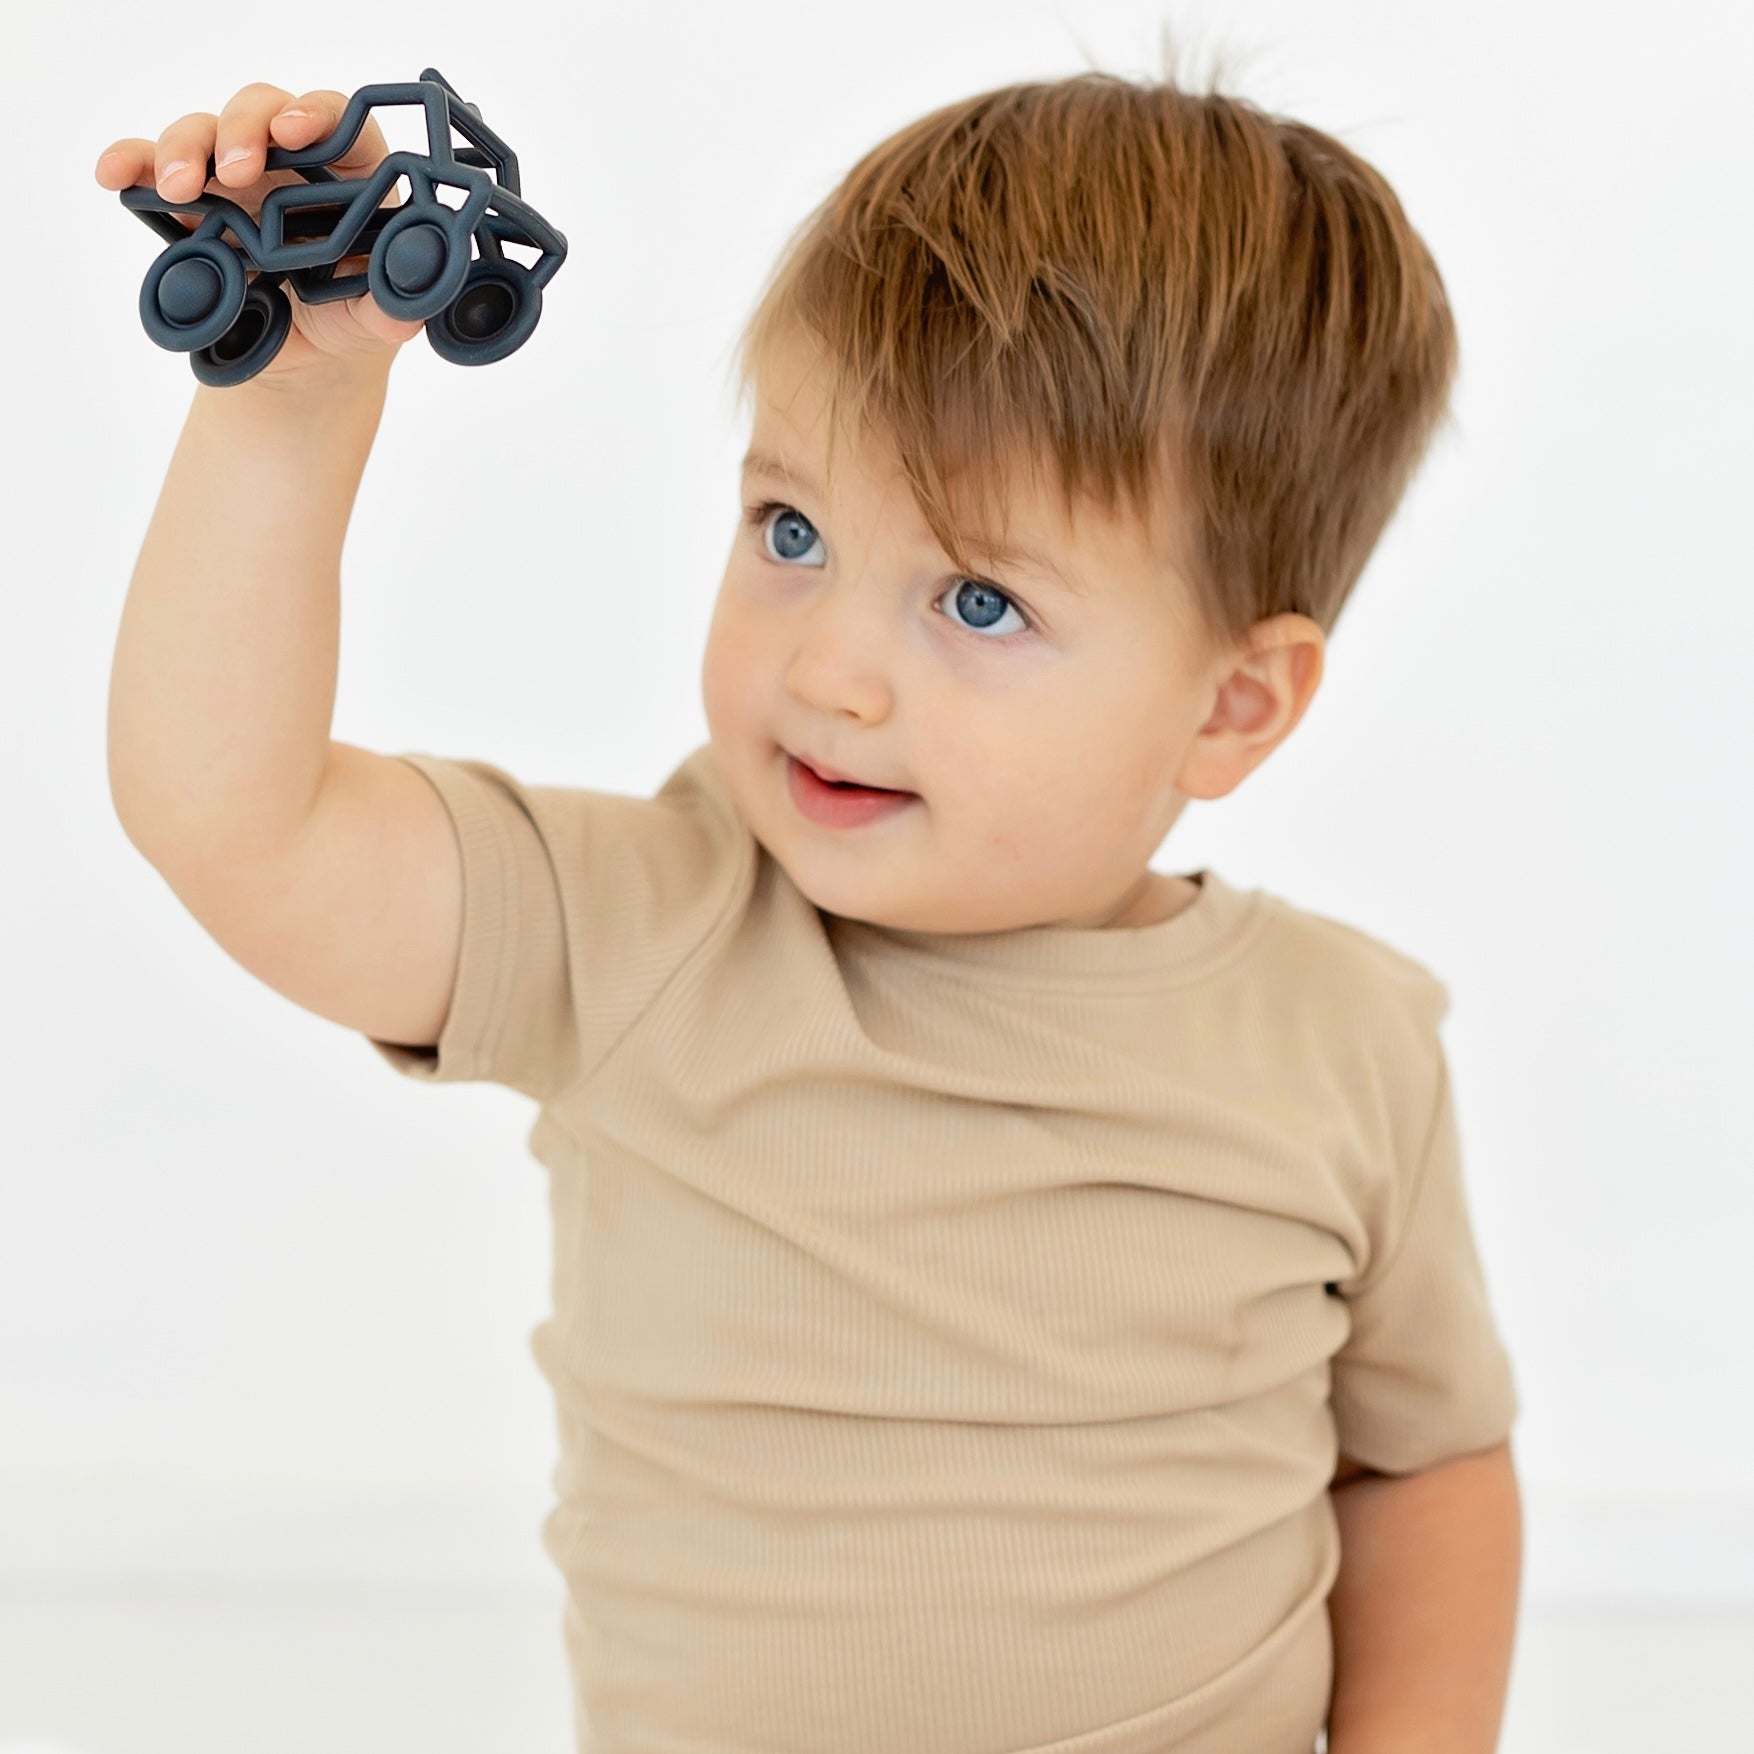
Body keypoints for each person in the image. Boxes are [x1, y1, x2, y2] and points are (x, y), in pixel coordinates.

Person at [99, 47, 1522, 1754]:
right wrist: (285, 403)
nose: (829, 669)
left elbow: (1423, 1461)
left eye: (978, 603)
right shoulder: (642, 925)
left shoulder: (1342, 1041)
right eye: (789, 531)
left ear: (1231, 704)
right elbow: (235, 820)